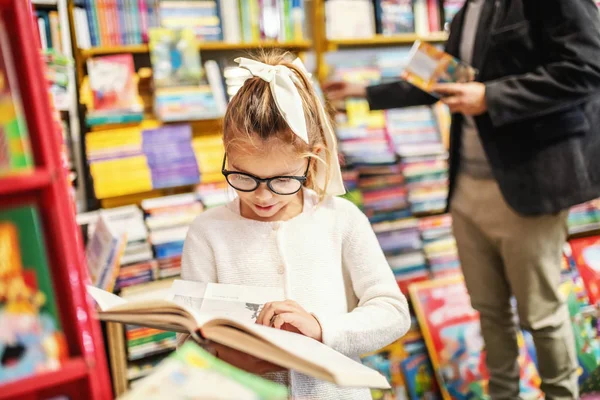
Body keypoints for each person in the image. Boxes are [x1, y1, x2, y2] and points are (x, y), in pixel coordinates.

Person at [323, 0, 600, 399]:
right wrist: (363, 90)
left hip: (529, 186)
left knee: (541, 314)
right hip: (466, 189)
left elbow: (586, 67)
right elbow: (439, 80)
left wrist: (492, 96)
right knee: (488, 310)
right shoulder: (470, 9)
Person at [180, 52, 411, 399]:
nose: (261, 196)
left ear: (311, 158)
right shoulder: (207, 232)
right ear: (227, 154)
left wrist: (322, 329)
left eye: (282, 181)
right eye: (244, 177)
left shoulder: (341, 219)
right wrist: (228, 355)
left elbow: (392, 312)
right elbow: (187, 340)